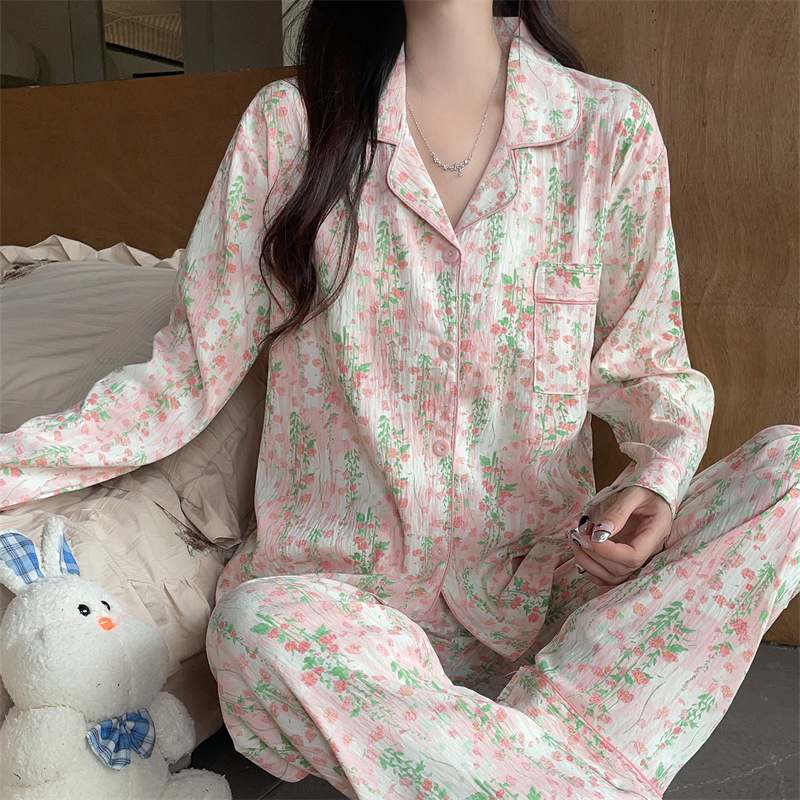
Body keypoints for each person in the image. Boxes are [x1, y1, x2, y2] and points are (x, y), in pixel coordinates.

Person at [1, 1, 798, 797]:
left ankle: (506, 757)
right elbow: (182, 378)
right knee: (252, 629)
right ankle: (549, 767)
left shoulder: (608, 131)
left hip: (549, 597)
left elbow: (651, 368)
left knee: (790, 471)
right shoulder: (290, 129)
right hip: (346, 618)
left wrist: (656, 480)